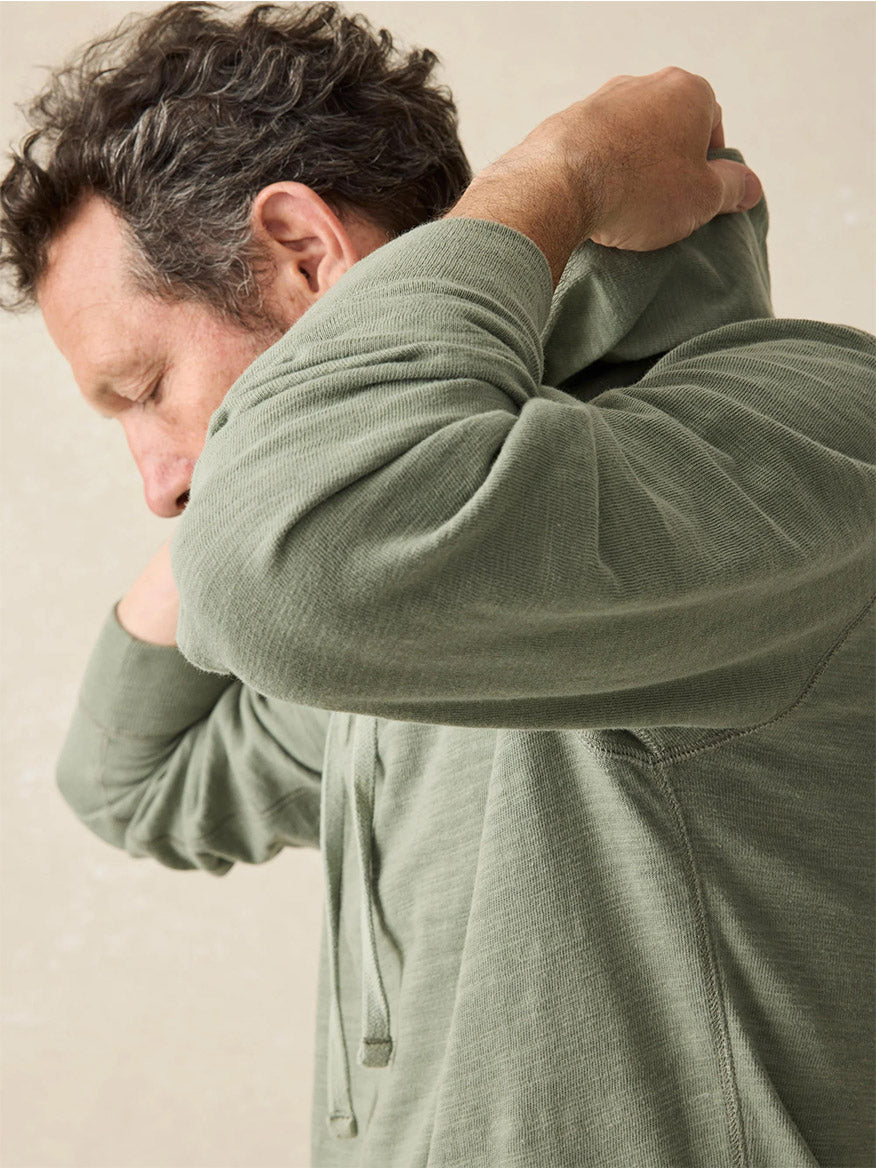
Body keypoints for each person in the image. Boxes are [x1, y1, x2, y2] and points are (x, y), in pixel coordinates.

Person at [2, 3, 873, 1165]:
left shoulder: (792, 428)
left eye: (146, 386)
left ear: (304, 255)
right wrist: (226, 464)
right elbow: (130, 779)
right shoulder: (415, 596)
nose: (157, 484)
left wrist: (563, 170)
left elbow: (286, 569)